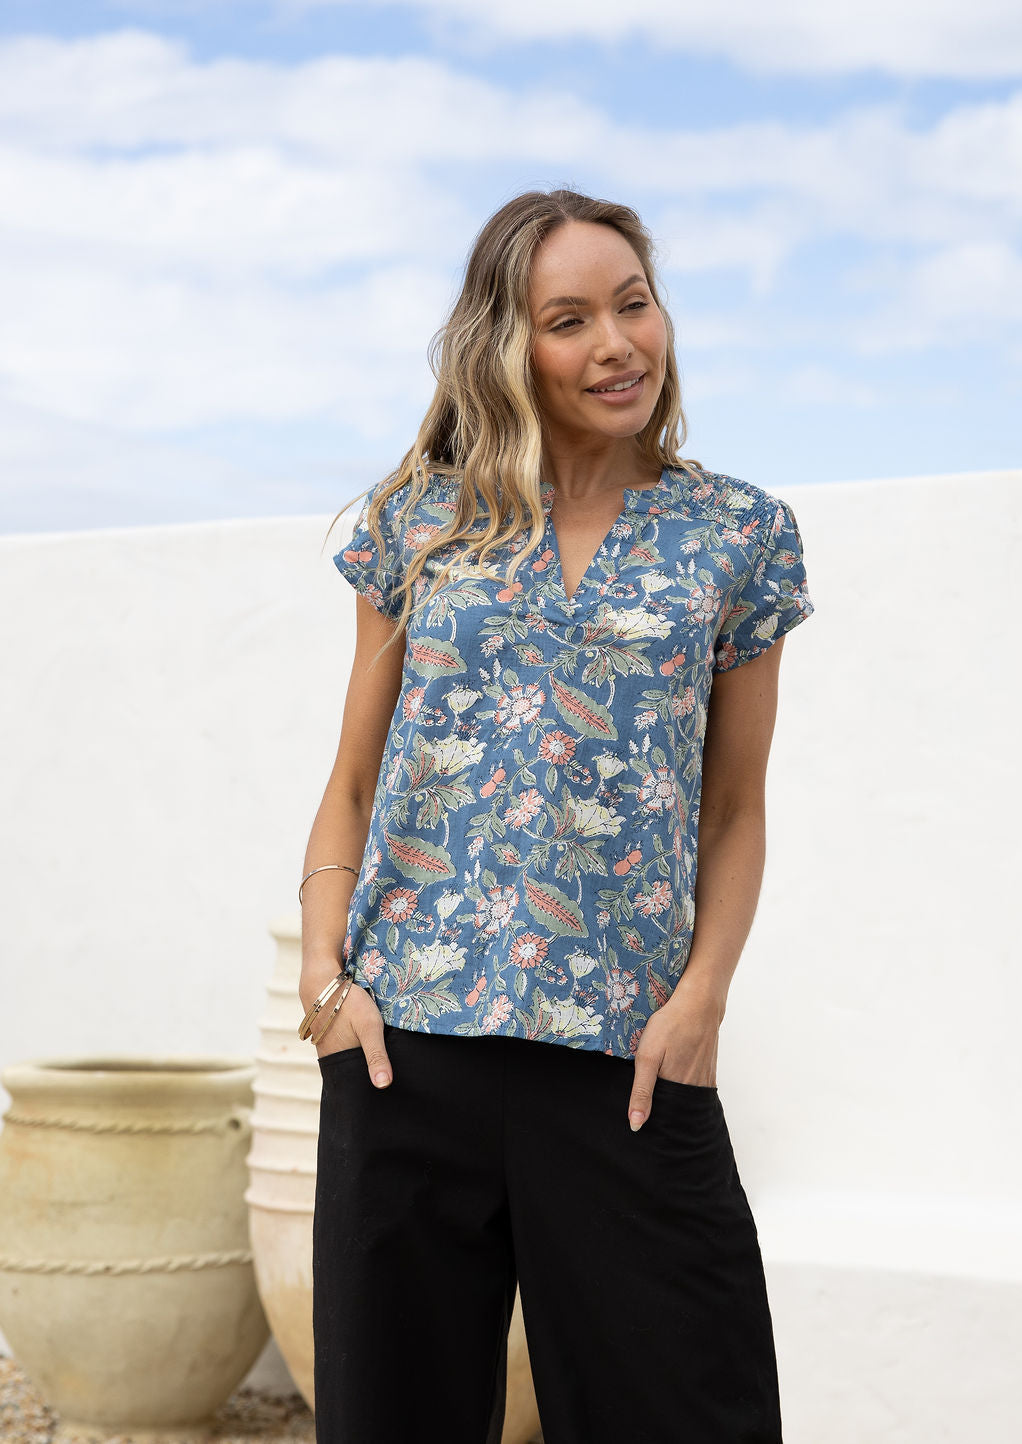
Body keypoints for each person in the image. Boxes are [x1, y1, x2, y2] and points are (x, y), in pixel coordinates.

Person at [298, 187, 815, 1444]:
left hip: (626, 1064)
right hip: (404, 1046)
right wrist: (325, 974)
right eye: (569, 318)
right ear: (506, 344)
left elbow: (735, 804)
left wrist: (701, 1002)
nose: (615, 343)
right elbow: (356, 780)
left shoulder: (736, 535)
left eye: (632, 304)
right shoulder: (421, 521)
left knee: (698, 1408)